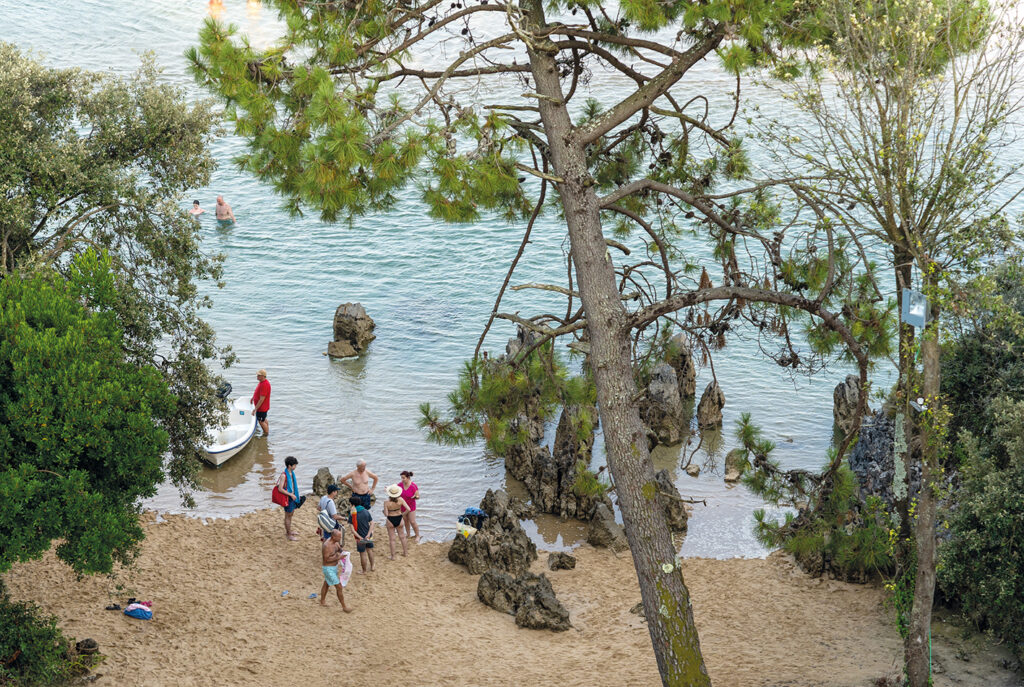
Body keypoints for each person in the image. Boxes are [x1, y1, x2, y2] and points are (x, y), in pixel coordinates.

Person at [320, 529, 352, 611]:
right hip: (328, 568)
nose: (340, 538)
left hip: (334, 567)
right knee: (339, 587)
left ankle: (322, 601)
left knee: (326, 583)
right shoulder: (327, 546)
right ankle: (344, 607)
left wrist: (344, 553)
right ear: (333, 537)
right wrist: (339, 557)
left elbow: (340, 550)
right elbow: (326, 559)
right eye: (339, 537)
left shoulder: (336, 543)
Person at [277, 456, 304, 541]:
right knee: (288, 516)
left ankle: (289, 531)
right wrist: (290, 494)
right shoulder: (284, 476)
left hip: (292, 497)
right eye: (294, 465)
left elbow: (292, 485)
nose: (295, 467)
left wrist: (295, 494)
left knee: (291, 514)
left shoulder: (292, 473)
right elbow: (280, 489)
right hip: (288, 498)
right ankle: (288, 534)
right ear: (289, 466)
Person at [382, 484, 411, 560]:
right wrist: (402, 515)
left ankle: (393, 556)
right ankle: (405, 553)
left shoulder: (386, 502)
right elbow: (408, 509)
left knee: (392, 539)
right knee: (402, 536)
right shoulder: (401, 500)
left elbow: (386, 514)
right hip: (399, 518)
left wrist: (383, 511)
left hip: (390, 519)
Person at [349, 494, 375, 573]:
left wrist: (359, 537)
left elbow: (352, 530)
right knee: (369, 550)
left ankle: (364, 570)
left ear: (352, 504)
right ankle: (373, 566)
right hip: (368, 535)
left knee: (362, 553)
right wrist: (369, 534)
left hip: (359, 537)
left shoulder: (352, 514)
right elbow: (372, 523)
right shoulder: (366, 511)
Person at [399, 470, 420, 542]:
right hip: (402, 506)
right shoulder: (400, 484)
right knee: (405, 521)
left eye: (403, 478)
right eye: (401, 478)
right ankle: (408, 534)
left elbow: (418, 496)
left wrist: (415, 497)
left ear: (408, 478)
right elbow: (395, 490)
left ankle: (417, 535)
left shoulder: (413, 486)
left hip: (411, 506)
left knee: (412, 521)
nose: (402, 479)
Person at [251, 369, 270, 437]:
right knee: (263, 419)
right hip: (262, 407)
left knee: (261, 421)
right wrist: (253, 397)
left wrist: (255, 409)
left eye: (259, 375)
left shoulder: (264, 384)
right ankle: (267, 430)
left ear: (263, 376)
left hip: (262, 407)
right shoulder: (261, 382)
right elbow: (257, 392)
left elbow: (262, 399)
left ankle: (266, 434)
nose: (257, 376)